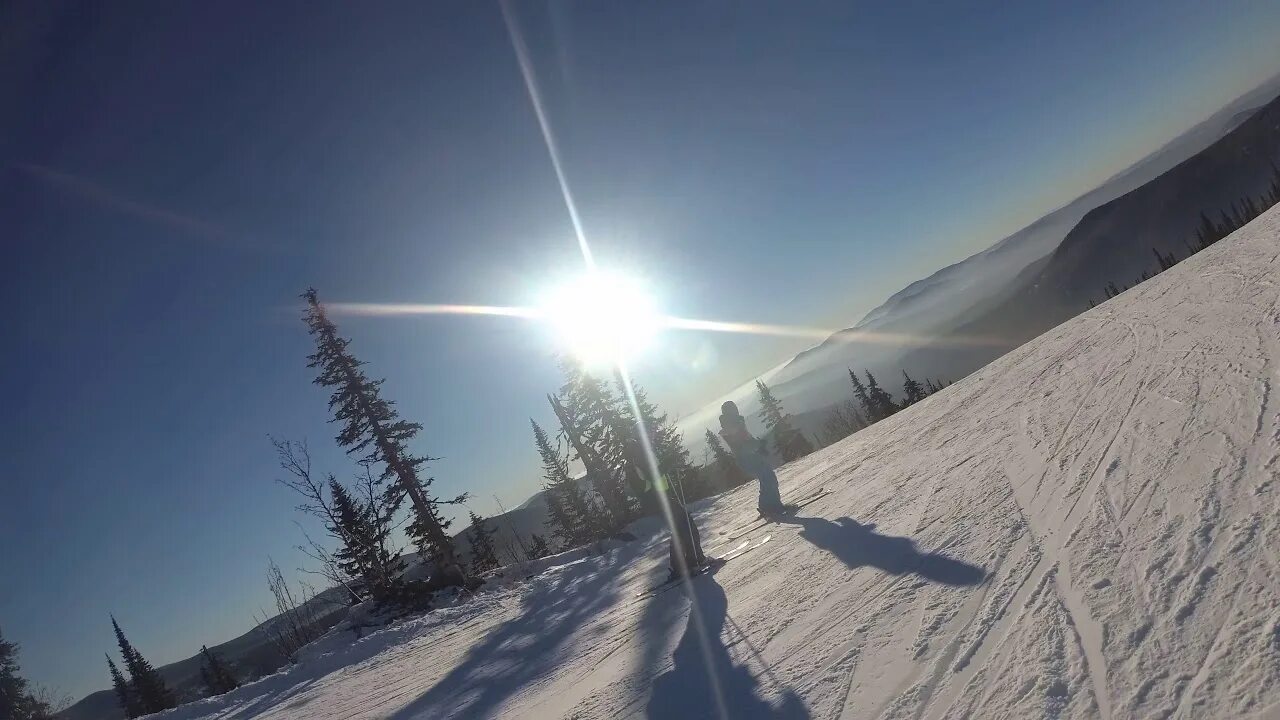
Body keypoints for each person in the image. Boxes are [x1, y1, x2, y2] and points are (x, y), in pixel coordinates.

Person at [718, 400, 785, 516]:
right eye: (734, 409)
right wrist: (759, 445)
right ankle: (772, 507)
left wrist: (758, 445)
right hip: (747, 458)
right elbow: (742, 441)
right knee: (768, 478)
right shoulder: (733, 425)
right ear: (731, 412)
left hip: (747, 457)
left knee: (767, 478)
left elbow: (745, 440)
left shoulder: (732, 424)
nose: (736, 411)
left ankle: (768, 506)